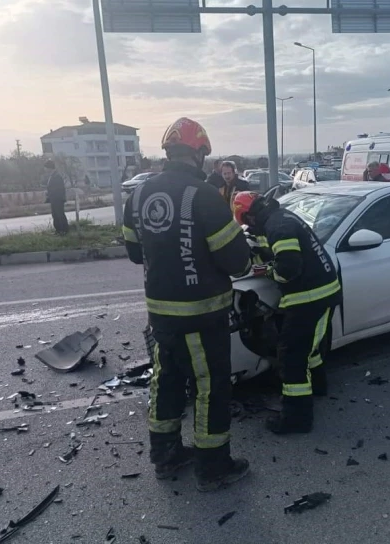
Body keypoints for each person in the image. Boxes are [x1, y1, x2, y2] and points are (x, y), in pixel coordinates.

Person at [122, 117, 252, 491]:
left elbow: (134, 253)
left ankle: (165, 457)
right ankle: (213, 468)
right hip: (202, 313)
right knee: (210, 387)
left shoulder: (139, 195)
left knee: (166, 381)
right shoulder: (204, 196)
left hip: (159, 312)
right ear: (199, 153)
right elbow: (238, 261)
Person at [232, 191, 342, 435]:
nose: (249, 225)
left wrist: (267, 271)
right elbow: (275, 249)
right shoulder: (279, 218)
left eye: (246, 220)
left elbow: (289, 268)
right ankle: (319, 386)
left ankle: (296, 418)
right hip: (323, 291)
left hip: (309, 296)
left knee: (291, 355)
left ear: (251, 215)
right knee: (310, 347)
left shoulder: (278, 226)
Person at [45, 160, 69, 234]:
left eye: (46, 168)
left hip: (58, 199)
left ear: (49, 168)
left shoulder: (57, 176)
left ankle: (63, 230)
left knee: (60, 214)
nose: (45, 170)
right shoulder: (52, 176)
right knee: (55, 214)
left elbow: (59, 189)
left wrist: (51, 193)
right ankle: (58, 230)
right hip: (53, 199)